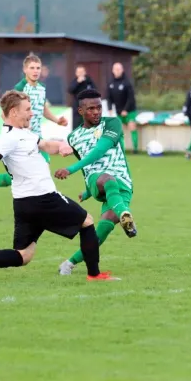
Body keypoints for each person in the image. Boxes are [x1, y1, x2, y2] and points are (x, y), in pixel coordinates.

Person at [0, 90, 112, 281]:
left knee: (24, 255)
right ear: (13, 112)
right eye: (28, 110)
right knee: (86, 221)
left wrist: (64, 146)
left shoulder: (24, 133)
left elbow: (44, 145)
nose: (32, 113)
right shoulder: (8, 138)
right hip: (43, 198)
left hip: (24, 204)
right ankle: (94, 275)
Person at [55, 89, 136, 275]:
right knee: (107, 178)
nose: (96, 112)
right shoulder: (73, 137)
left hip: (122, 183)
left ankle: (69, 263)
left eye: (99, 107)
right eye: (91, 109)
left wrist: (80, 184)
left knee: (103, 229)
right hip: (97, 180)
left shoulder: (112, 123)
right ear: (81, 111)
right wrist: (87, 186)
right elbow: (87, 166)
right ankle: (125, 213)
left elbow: (99, 151)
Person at [0, 54, 68, 203]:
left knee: (36, 175)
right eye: (32, 68)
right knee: (29, 175)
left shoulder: (42, 88)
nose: (35, 71)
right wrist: (15, 130)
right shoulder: (20, 88)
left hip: (37, 136)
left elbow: (41, 108)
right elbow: (6, 112)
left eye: (38, 68)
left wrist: (56, 120)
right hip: (23, 137)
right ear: (25, 69)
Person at [106, 62, 139, 153]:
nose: (117, 71)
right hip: (118, 111)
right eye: (115, 69)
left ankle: (135, 149)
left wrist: (126, 109)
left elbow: (131, 98)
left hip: (130, 110)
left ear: (122, 70)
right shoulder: (110, 83)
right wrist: (109, 108)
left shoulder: (127, 82)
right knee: (119, 130)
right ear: (113, 71)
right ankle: (121, 149)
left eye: (119, 69)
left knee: (132, 126)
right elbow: (109, 97)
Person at [68, 65, 97, 129]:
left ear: (85, 72)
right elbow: (70, 90)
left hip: (88, 108)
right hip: (77, 108)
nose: (80, 74)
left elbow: (95, 91)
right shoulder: (75, 81)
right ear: (76, 73)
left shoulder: (89, 81)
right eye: (79, 72)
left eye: (82, 72)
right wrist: (78, 82)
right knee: (77, 126)